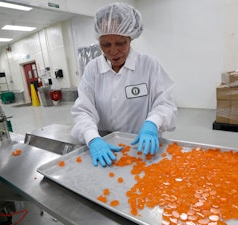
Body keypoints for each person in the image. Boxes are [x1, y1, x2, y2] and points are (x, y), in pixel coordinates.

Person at [71, 3, 177, 167]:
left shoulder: (148, 65)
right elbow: (83, 110)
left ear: (130, 39)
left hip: (143, 146)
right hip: (107, 147)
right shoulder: (93, 69)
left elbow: (165, 103)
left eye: (120, 43)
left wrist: (152, 123)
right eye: (106, 44)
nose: (113, 51)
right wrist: (92, 138)